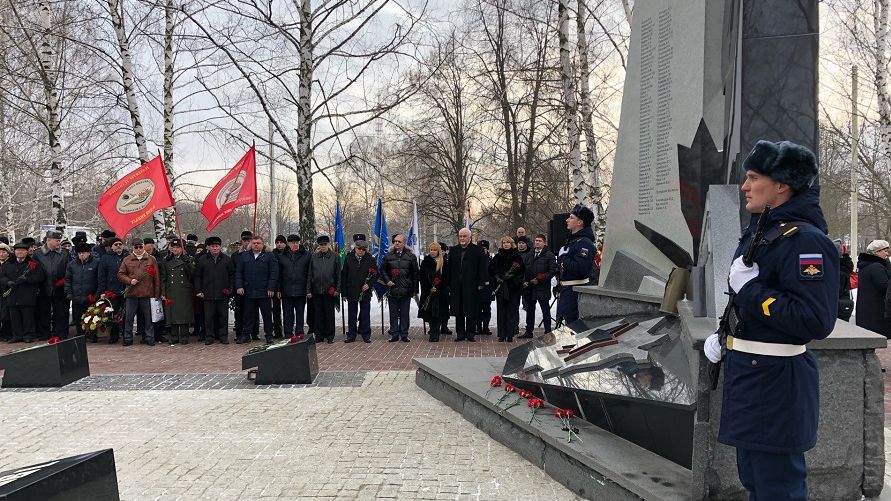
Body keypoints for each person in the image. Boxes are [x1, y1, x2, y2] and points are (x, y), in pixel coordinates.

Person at [702, 140, 838, 499]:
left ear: (781, 184)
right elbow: (747, 304)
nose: (744, 186)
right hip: (751, 374)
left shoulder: (805, 241)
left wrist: (751, 291)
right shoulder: (763, 232)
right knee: (755, 478)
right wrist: (725, 336)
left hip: (776, 383)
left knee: (778, 486)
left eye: (753, 177)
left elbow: (814, 320)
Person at [555, 205, 597, 326]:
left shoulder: (585, 243)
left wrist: (563, 258)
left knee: (575, 329)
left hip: (575, 294)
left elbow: (580, 269)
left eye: (571, 217)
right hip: (567, 292)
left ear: (580, 222)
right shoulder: (574, 241)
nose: (567, 220)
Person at [117, 238, 162, 346]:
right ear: (133, 248)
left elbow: (156, 277)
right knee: (129, 317)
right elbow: (120, 274)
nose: (138, 249)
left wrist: (157, 294)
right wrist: (129, 280)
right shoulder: (127, 259)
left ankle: (149, 337)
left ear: (143, 246)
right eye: (136, 247)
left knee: (148, 318)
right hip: (132, 293)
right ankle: (127, 338)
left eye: (140, 247)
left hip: (147, 293)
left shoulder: (151, 259)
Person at [235, 236, 279, 344]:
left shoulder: (269, 256)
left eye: (258, 243)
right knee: (248, 315)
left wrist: (271, 287)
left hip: (264, 291)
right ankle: (246, 335)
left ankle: (269, 335)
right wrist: (239, 286)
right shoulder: (244, 256)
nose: (255, 244)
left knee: (267, 315)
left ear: (263, 244)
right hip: (249, 290)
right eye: (254, 243)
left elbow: (274, 273)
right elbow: (239, 272)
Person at [448, 228, 488, 342]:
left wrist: (481, 283)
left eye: (464, 236)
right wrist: (449, 283)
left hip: (472, 285)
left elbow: (482, 268)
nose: (462, 238)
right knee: (458, 310)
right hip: (456, 285)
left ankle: (470, 333)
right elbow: (450, 268)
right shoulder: (454, 250)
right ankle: (460, 333)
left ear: (470, 237)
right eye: (460, 236)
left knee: (471, 310)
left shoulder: (477, 250)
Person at [194, 236, 234, 344]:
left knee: (223, 316)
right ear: (208, 247)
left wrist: (230, 289)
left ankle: (223, 336)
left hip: (223, 293)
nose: (215, 248)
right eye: (213, 246)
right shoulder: (202, 260)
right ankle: (209, 336)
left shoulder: (227, 259)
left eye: (217, 246)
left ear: (220, 247)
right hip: (207, 293)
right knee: (208, 317)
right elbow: (197, 276)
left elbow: (231, 275)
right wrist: (198, 290)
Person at [1, 242, 44, 342]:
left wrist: (27, 279)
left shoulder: (33, 263)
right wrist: (8, 282)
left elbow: (40, 277)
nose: (20, 252)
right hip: (12, 294)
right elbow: (2, 276)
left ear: (27, 252)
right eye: (18, 250)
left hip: (27, 294)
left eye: (23, 250)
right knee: (14, 316)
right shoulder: (8, 263)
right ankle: (17, 335)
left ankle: (28, 335)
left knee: (27, 316)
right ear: (14, 252)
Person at [32, 230, 70, 340]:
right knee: (43, 312)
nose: (59, 242)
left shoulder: (65, 253)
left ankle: (60, 333)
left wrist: (64, 281)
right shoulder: (37, 253)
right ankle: (44, 333)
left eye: (59, 240)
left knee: (61, 312)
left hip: (60, 288)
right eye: (57, 240)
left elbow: (69, 269)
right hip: (43, 288)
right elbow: (33, 269)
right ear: (48, 240)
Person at [382, 233, 419, 342]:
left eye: (399, 241)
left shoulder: (410, 256)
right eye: (395, 241)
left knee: (404, 313)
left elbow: (415, 274)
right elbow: (383, 270)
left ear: (404, 243)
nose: (397, 243)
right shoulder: (388, 256)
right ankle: (394, 334)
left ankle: (404, 334)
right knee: (393, 313)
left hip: (405, 290)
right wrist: (387, 280)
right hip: (392, 289)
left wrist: (414, 290)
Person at [489, 236, 524, 342]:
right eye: (504, 242)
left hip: (513, 288)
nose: (505, 244)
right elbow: (491, 270)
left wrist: (512, 278)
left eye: (508, 242)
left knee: (512, 310)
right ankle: (502, 334)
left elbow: (521, 271)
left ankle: (510, 334)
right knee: (501, 311)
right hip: (501, 289)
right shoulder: (498, 256)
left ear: (511, 244)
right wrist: (497, 278)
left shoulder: (517, 256)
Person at [160, 238, 195, 344]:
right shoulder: (166, 260)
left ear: (182, 248)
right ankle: (174, 335)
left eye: (177, 247)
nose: (175, 249)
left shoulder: (189, 259)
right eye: (173, 247)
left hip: (184, 289)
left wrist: (188, 262)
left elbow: (193, 275)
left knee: (183, 312)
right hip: (171, 289)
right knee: (173, 313)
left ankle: (184, 335)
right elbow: (163, 278)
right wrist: (163, 292)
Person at [340, 238, 375, 343]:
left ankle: (366, 335)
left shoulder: (370, 259)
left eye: (364, 249)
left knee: (365, 314)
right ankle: (351, 335)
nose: (361, 251)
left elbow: (376, 275)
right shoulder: (348, 258)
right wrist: (344, 293)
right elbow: (344, 276)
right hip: (352, 290)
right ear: (355, 248)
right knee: (352, 315)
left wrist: (369, 285)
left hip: (365, 292)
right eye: (359, 249)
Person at [521, 234, 557, 337]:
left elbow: (552, 271)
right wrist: (524, 280)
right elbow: (524, 269)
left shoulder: (549, 255)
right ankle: (529, 331)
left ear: (544, 243)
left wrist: (539, 279)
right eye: (536, 240)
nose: (537, 242)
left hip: (542, 287)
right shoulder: (530, 254)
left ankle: (548, 331)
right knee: (530, 311)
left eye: (540, 241)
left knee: (545, 310)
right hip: (529, 287)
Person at [855, 239, 891, 338]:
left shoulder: (865, 266)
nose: (887, 254)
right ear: (876, 252)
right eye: (885, 251)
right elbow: (885, 287)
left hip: (867, 310)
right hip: (877, 311)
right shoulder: (877, 267)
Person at [307, 235, 339, 344]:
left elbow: (338, 275)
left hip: (329, 290)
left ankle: (330, 336)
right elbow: (310, 275)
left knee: (329, 314)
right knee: (318, 314)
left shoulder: (335, 256)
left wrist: (337, 289)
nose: (323, 246)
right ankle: (319, 335)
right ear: (318, 246)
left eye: (325, 244)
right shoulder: (314, 257)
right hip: (316, 291)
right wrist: (308, 290)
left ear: (328, 245)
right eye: (321, 245)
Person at [278, 234, 311, 339]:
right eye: (293, 243)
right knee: (287, 313)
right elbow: (278, 274)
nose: (295, 245)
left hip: (301, 290)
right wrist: (278, 289)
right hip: (286, 290)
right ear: (288, 244)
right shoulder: (281, 256)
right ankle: (288, 333)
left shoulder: (306, 255)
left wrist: (308, 289)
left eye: (297, 242)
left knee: (300, 313)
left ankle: (299, 332)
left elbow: (309, 274)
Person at [65, 242, 100, 341]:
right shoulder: (72, 264)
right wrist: (69, 293)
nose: (81, 255)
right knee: (78, 317)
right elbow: (68, 279)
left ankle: (92, 334)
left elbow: (99, 279)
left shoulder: (96, 263)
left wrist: (97, 294)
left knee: (92, 316)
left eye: (84, 253)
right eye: (79, 253)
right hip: (77, 295)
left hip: (91, 295)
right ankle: (80, 334)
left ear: (89, 253)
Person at [419, 242, 449, 342]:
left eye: (435, 250)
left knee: (439, 313)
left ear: (438, 251)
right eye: (431, 250)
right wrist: (429, 288)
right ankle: (432, 331)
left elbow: (446, 278)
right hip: (429, 292)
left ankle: (436, 332)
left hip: (440, 293)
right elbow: (422, 277)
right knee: (430, 313)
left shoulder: (443, 262)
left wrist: (438, 287)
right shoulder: (425, 262)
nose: (432, 252)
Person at [97, 237, 126, 343]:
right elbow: (101, 276)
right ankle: (114, 335)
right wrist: (102, 291)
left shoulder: (127, 256)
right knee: (113, 313)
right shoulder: (105, 258)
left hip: (126, 289)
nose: (118, 246)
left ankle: (125, 334)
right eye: (116, 244)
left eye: (120, 244)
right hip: (112, 290)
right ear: (111, 247)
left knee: (126, 314)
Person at [271, 234, 287, 338]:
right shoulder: (272, 254)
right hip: (275, 286)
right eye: (277, 242)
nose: (279, 244)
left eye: (281, 242)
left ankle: (288, 330)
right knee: (276, 311)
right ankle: (277, 331)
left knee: (287, 311)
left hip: (287, 286)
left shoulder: (289, 254)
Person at [476, 240, 493, 336]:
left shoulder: (491, 260)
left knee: (487, 308)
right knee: (477, 308)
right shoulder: (474, 260)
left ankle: (486, 327)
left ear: (487, 249)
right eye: (481, 249)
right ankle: (478, 327)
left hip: (487, 288)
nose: (483, 250)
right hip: (477, 288)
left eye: (484, 249)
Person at [0, 243, 11, 341]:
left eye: (4, 252)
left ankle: (6, 333)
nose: (1, 254)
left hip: (7, 292)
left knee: (6, 314)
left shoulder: (11, 264)